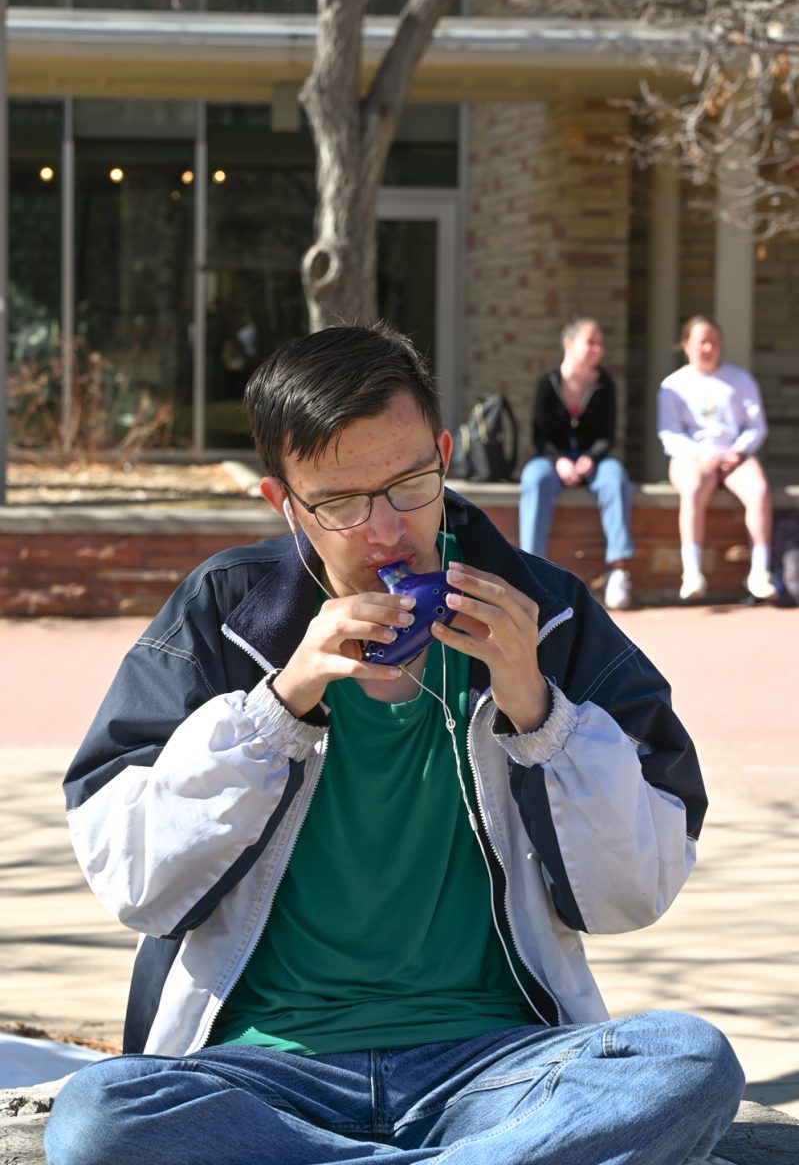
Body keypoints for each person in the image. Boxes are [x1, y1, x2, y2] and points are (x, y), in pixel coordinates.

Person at [45, 324, 744, 1165]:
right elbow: (138, 885)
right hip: (260, 1074)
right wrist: (279, 704)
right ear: (284, 503)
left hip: (495, 1068)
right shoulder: (225, 617)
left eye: (410, 483)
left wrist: (536, 707)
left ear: (444, 453)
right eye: (340, 503)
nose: (385, 529)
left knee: (687, 1061)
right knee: (99, 1115)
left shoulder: (544, 614)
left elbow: (634, 893)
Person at [518, 317, 635, 611]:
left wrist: (590, 459)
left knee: (616, 478)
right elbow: (539, 437)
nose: (597, 349)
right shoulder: (547, 383)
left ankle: (617, 569)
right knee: (534, 478)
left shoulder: (605, 385)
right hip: (552, 460)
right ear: (568, 344)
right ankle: (531, 570)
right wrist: (558, 461)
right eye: (590, 342)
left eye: (600, 343)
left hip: (593, 461)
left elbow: (608, 435)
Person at [657, 315, 777, 602]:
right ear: (686, 345)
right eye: (702, 342)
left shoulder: (740, 379)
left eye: (714, 342)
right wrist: (700, 454)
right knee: (694, 490)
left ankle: (760, 572)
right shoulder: (673, 385)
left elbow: (756, 426)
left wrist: (737, 450)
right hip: (692, 456)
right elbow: (669, 434)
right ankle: (693, 572)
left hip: (735, 455)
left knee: (759, 491)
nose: (708, 348)